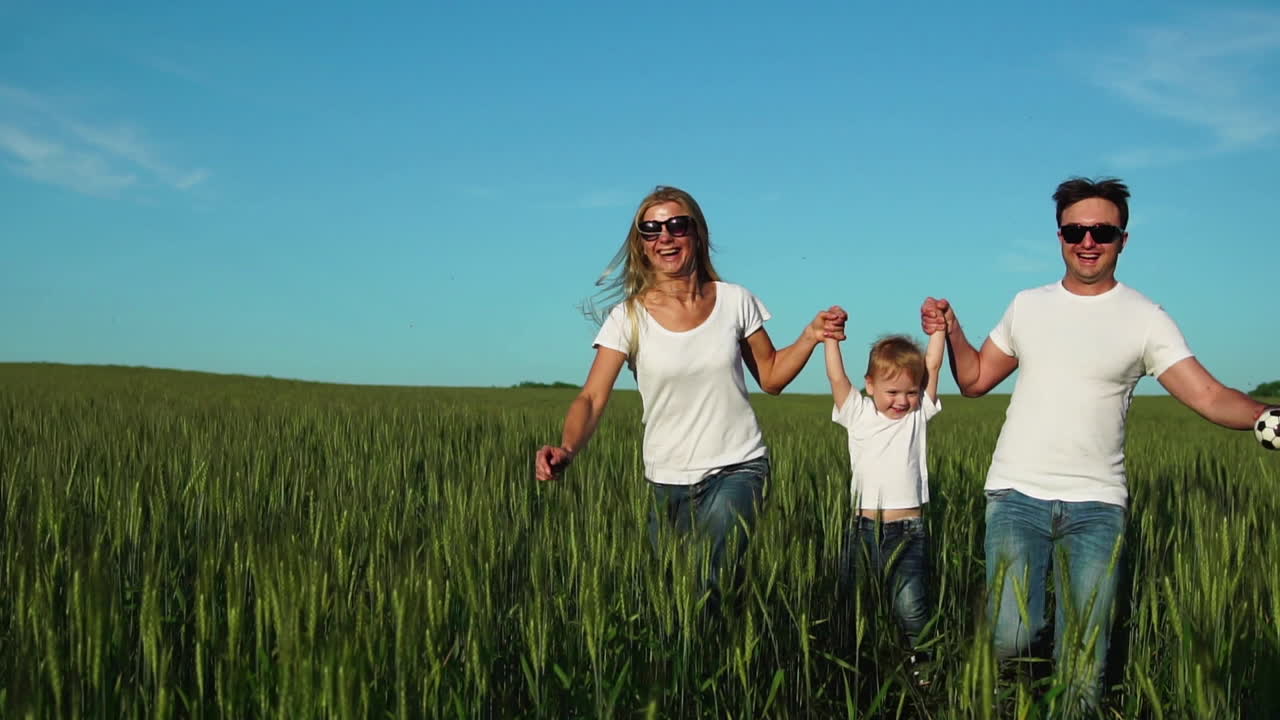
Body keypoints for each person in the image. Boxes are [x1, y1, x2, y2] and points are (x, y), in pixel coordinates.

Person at [920, 177, 1276, 708]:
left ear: (1123, 239)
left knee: (1084, 660)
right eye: (1076, 230)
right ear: (1059, 236)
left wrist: (1267, 415)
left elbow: (1206, 395)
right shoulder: (1027, 305)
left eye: (1102, 231)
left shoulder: (1146, 318)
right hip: (1017, 496)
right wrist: (951, 329)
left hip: (1098, 506)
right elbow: (973, 381)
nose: (1088, 241)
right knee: (1011, 637)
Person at [534, 185, 847, 608]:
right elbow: (591, 397)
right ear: (642, 246)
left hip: (737, 466)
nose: (665, 236)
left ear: (697, 234)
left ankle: (725, 670)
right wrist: (568, 448)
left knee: (709, 585)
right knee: (670, 603)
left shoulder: (736, 301)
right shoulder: (627, 318)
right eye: (651, 229)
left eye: (677, 225)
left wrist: (810, 336)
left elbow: (771, 377)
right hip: (666, 480)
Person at [824, 328, 944, 679]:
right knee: (854, 605)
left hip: (908, 532)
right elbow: (836, 376)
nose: (902, 401)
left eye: (910, 391)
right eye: (892, 392)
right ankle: (855, 669)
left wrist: (938, 330)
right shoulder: (857, 414)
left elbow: (933, 366)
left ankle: (925, 673)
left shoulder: (916, 417)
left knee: (911, 608)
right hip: (862, 530)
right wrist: (831, 338)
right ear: (870, 385)